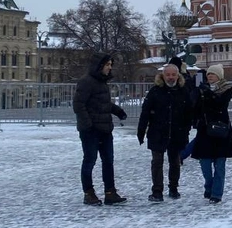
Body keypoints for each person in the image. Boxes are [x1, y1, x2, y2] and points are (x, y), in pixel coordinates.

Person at [73, 52, 128, 206]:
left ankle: (110, 192)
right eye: (107, 65)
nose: (110, 68)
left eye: (111, 65)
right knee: (90, 160)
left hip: (105, 129)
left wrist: (117, 111)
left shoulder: (102, 83)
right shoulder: (86, 82)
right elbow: (78, 105)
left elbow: (103, 104)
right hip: (90, 130)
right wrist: (88, 125)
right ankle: (88, 193)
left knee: (108, 161)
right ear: (99, 66)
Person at [137, 63, 193, 202]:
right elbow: (145, 112)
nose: (170, 77)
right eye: (168, 74)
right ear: (163, 75)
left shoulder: (183, 91)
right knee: (157, 162)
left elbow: (189, 113)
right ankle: (157, 191)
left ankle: (173, 188)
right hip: (157, 132)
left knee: (174, 161)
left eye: (173, 74)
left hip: (176, 132)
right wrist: (141, 131)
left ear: (178, 76)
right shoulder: (155, 91)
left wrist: (186, 130)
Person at [191, 64, 232, 203]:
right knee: (204, 164)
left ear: (219, 76)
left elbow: (219, 104)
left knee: (220, 164)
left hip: (221, 130)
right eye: (208, 74)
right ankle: (208, 185)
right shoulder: (201, 89)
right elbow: (195, 105)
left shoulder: (227, 89)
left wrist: (207, 92)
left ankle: (216, 194)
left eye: (213, 74)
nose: (210, 76)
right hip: (205, 130)